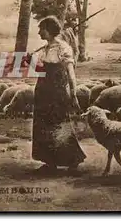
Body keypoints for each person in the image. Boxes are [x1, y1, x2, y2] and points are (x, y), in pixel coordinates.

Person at [26, 15, 86, 174]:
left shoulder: (63, 48)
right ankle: (49, 162)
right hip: (43, 90)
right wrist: (29, 61)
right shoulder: (45, 49)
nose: (39, 33)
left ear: (49, 30)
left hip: (57, 91)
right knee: (43, 126)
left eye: (41, 29)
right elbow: (41, 71)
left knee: (59, 125)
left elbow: (70, 72)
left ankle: (73, 161)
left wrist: (73, 93)